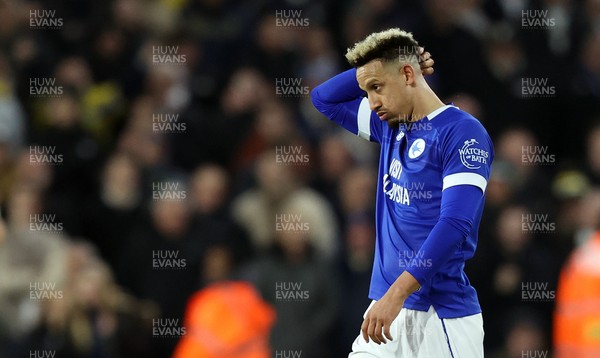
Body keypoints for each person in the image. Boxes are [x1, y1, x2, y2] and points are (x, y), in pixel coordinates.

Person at [311, 28, 494, 357]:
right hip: (386, 311)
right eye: (367, 91)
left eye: (377, 88)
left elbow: (455, 224)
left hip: (440, 316)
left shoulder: (463, 133)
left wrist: (397, 294)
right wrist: (374, 70)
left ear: (409, 74)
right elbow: (323, 98)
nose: (372, 101)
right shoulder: (389, 126)